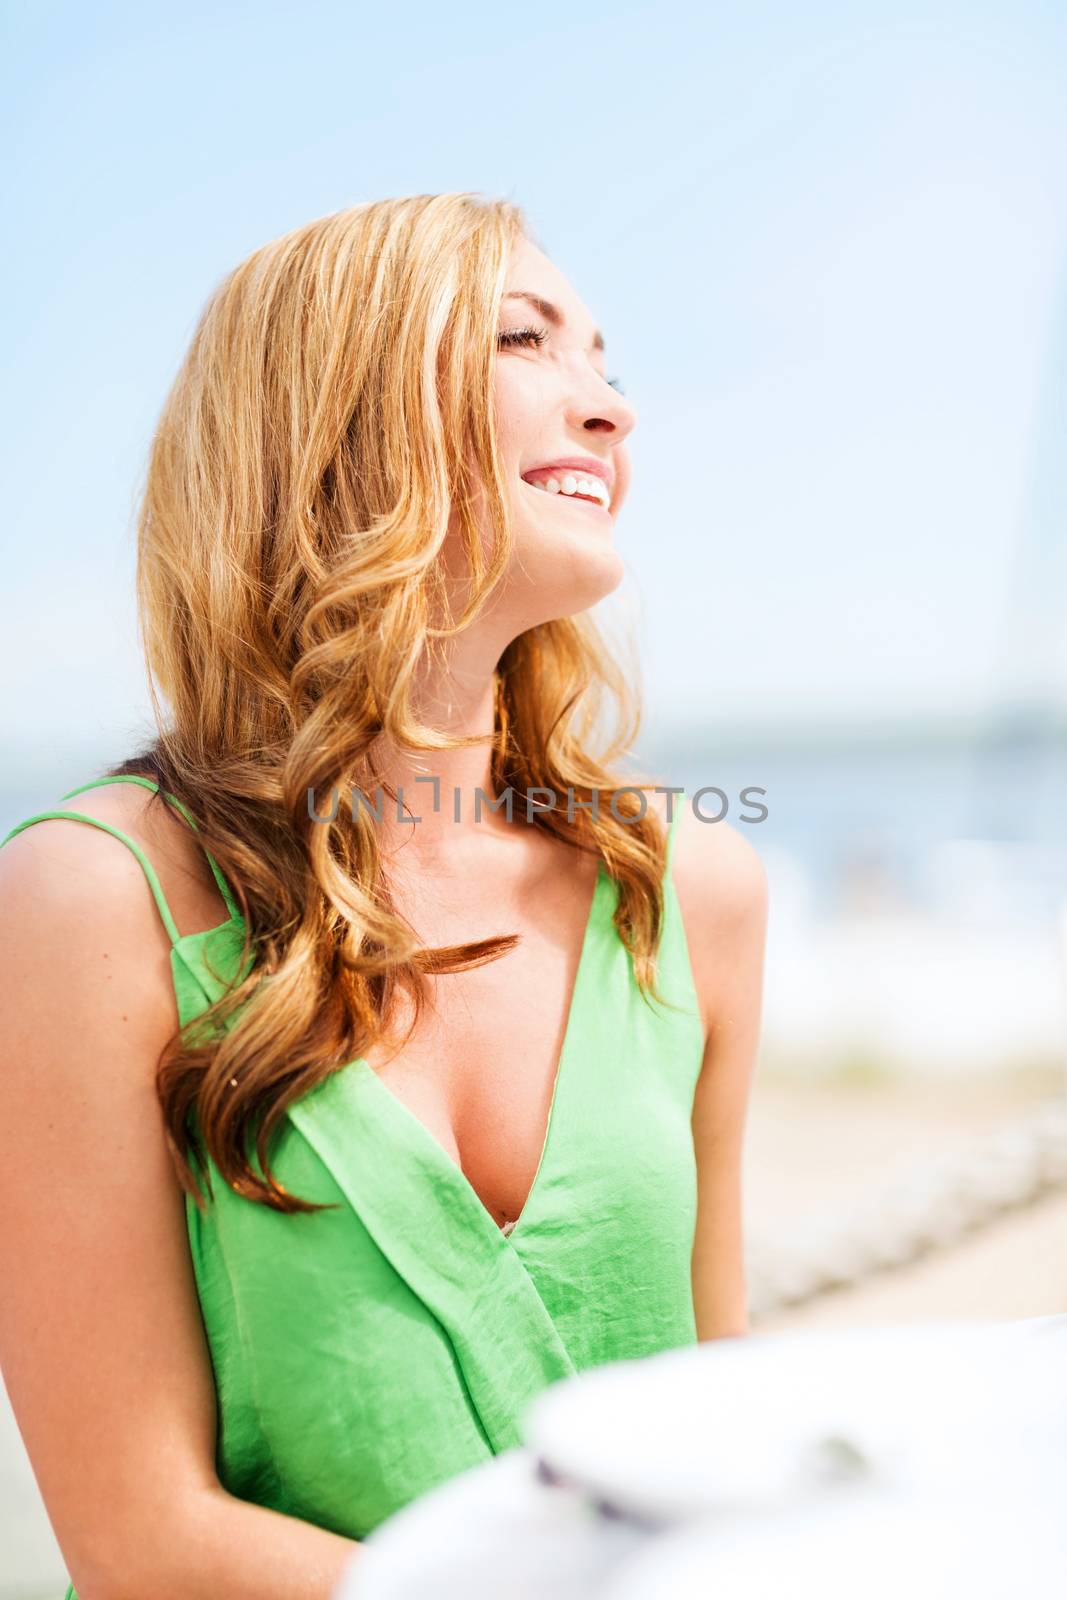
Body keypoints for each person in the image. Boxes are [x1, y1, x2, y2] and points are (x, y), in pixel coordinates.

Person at [0, 192, 768, 1600]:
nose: (609, 410)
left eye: (607, 360)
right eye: (521, 342)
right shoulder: (84, 900)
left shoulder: (689, 889)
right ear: (331, 411)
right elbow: (136, 1540)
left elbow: (711, 1423)